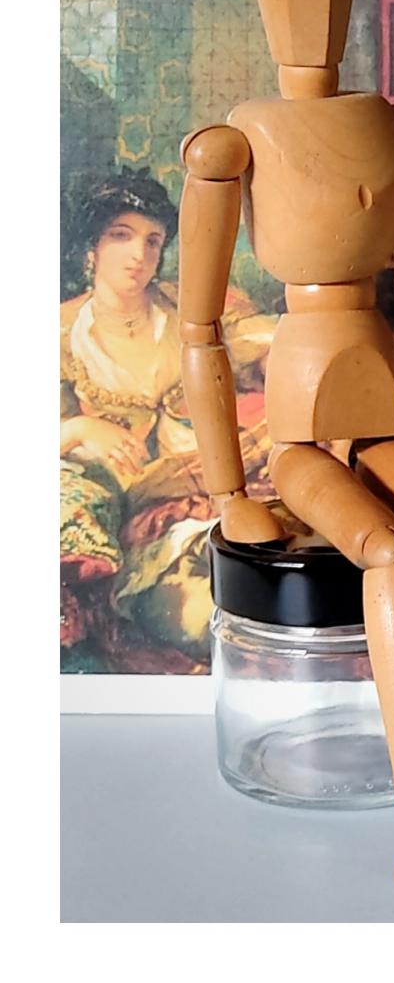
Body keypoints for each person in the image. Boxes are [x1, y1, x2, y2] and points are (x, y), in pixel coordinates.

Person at [60, 172, 274, 664]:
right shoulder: (61, 332)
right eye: (121, 235)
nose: (139, 254)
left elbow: (268, 347)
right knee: (200, 619)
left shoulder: (192, 306)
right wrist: (81, 428)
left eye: (152, 241)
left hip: (221, 474)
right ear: (92, 246)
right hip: (137, 503)